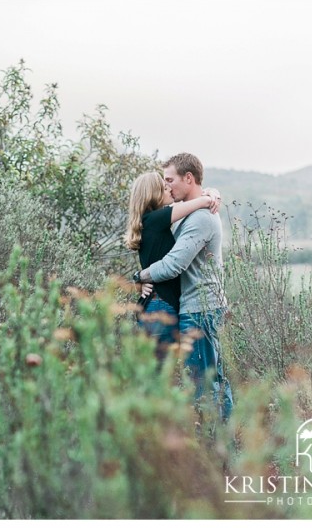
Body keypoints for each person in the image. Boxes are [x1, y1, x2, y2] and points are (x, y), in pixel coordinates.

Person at [135, 152, 234, 421]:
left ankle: (219, 448)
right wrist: (210, 194)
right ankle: (222, 446)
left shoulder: (200, 218)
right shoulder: (188, 213)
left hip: (200, 309)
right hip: (196, 306)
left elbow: (173, 265)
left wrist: (140, 276)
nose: (167, 187)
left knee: (205, 384)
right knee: (210, 380)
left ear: (188, 178)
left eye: (170, 180)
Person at [124, 172, 220, 368]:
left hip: (156, 304)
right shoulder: (156, 218)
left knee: (156, 373)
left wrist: (212, 192)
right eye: (164, 186)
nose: (169, 189)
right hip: (160, 306)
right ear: (153, 194)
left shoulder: (151, 221)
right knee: (156, 376)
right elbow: (196, 204)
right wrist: (209, 198)